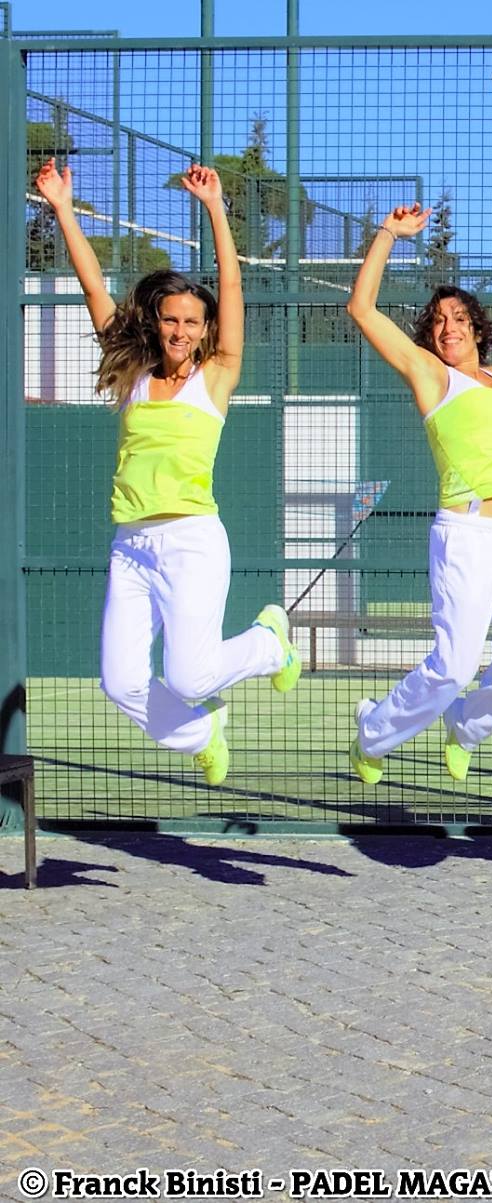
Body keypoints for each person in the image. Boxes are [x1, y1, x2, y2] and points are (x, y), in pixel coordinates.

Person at [33, 159, 298, 786]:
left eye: (191, 322)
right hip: (131, 545)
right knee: (120, 682)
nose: (179, 330)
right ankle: (201, 733)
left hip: (191, 542)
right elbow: (95, 290)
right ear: (156, 321)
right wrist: (64, 210)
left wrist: (215, 211)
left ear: (204, 331)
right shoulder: (132, 376)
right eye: (170, 319)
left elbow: (231, 291)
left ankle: (268, 645)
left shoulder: (215, 379)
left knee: (188, 675)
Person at [344, 204, 492, 785]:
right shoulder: (431, 376)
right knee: (453, 664)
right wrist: (388, 235)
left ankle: (466, 726)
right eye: (437, 323)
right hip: (467, 532)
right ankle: (373, 733)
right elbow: (361, 308)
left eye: (457, 319)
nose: (447, 328)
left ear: (477, 326)